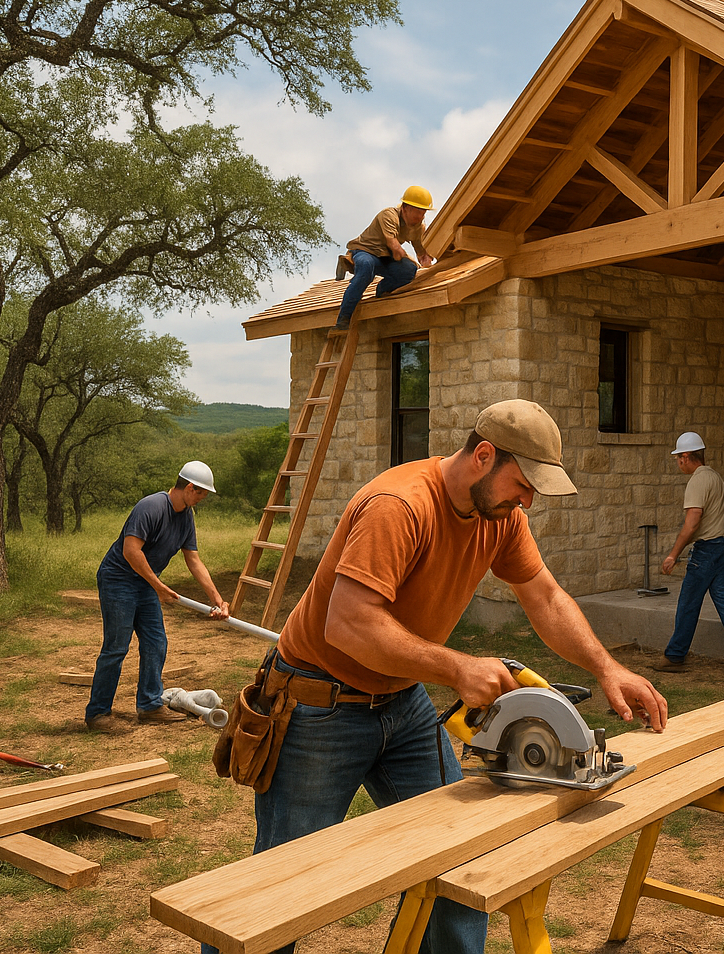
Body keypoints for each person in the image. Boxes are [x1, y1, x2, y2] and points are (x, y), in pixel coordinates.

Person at [208, 400, 668, 954]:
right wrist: (456, 667)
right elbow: (349, 625)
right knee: (282, 884)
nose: (526, 501)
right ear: (482, 455)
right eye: (522, 484)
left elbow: (545, 598)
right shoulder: (398, 505)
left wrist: (607, 668)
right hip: (317, 705)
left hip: (401, 704)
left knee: (462, 858)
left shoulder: (501, 519)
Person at [87, 461, 230, 733]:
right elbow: (131, 551)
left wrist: (217, 599)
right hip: (118, 580)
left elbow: (194, 560)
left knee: (156, 642)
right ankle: (97, 714)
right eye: (202, 494)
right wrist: (158, 586)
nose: (203, 499)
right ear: (190, 488)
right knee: (116, 647)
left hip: (145, 582)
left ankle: (150, 706)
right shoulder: (150, 507)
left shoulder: (186, 515)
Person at [655, 432, 724, 676]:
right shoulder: (714, 477)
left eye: (678, 458)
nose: (678, 463)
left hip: (707, 550)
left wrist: (673, 555)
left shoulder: (698, 481)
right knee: (723, 600)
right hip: (721, 546)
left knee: (688, 603)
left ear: (685, 457)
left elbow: (692, 523)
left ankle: (674, 656)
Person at [333, 185, 437, 331]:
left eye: (423, 213)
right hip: (365, 251)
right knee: (366, 268)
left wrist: (428, 265)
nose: (420, 217)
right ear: (405, 208)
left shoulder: (418, 227)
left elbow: (422, 254)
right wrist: (406, 256)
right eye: (417, 213)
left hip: (384, 258)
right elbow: (394, 245)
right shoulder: (388, 215)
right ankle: (343, 319)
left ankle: (382, 292)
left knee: (409, 270)